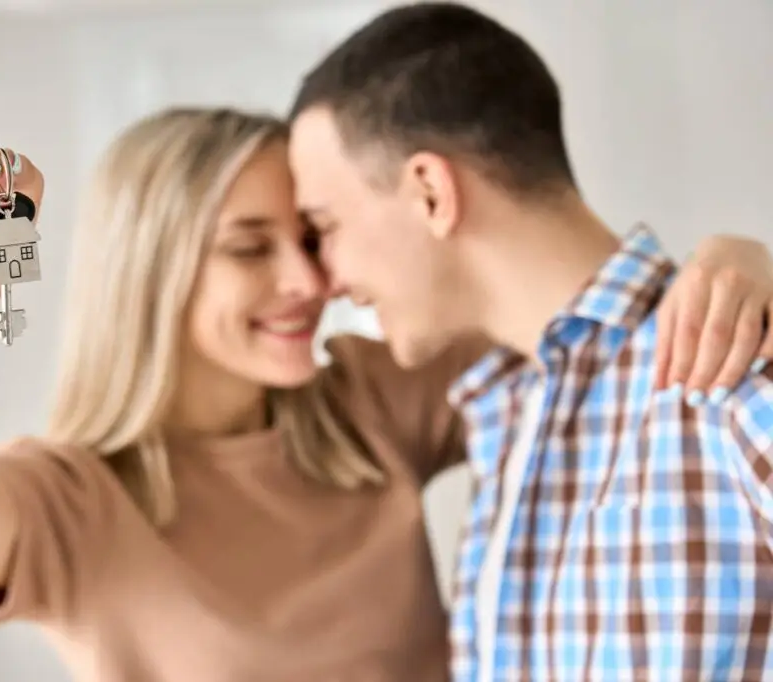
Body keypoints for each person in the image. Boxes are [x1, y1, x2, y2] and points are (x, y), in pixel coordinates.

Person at [0, 103, 769, 682]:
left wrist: (731, 262)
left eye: (313, 237)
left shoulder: (369, 399)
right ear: (149, 272)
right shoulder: (73, 502)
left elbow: (573, 319)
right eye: (251, 247)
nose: (308, 280)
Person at [286, 2, 773, 681]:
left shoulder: (733, 365)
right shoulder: (504, 415)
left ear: (429, 190)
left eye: (325, 226)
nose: (325, 278)